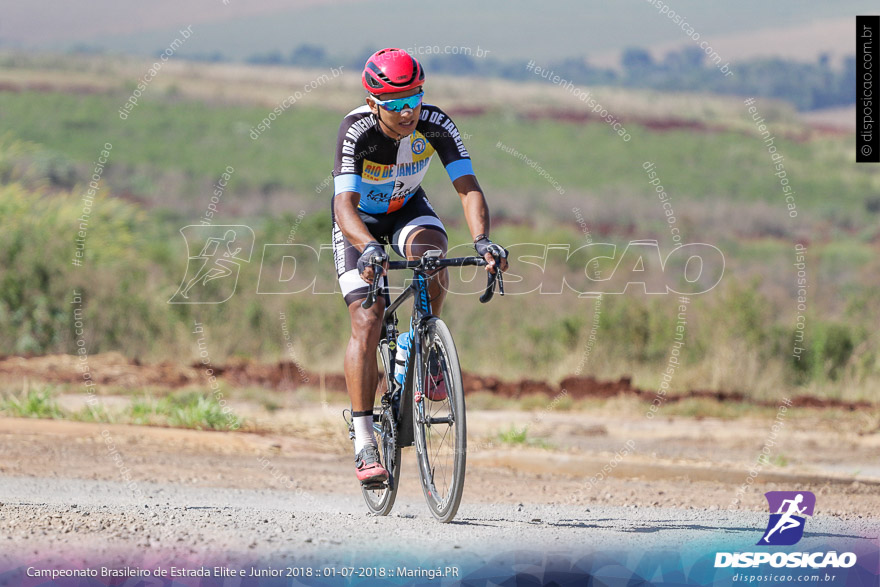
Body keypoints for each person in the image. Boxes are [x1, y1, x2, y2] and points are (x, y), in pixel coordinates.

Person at [331, 48, 509, 485]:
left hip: (408, 208)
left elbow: (467, 188)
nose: (407, 111)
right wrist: (369, 247)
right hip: (360, 223)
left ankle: (421, 343)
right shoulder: (356, 130)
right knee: (367, 318)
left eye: (414, 98)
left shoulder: (435, 122)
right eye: (395, 104)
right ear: (374, 104)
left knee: (432, 257)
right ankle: (364, 439)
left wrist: (483, 240)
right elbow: (343, 205)